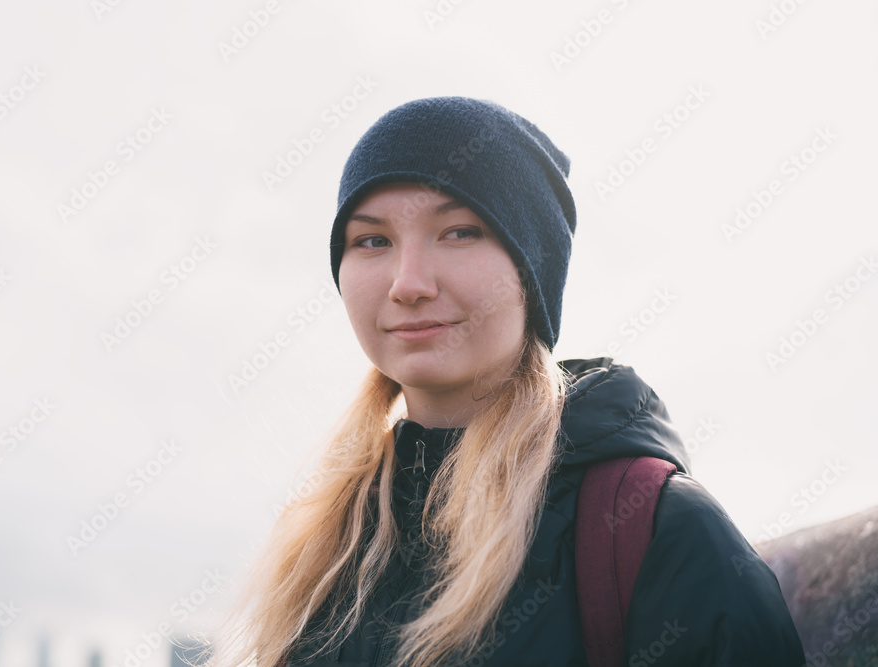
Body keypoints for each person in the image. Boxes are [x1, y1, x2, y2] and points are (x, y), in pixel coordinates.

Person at [211, 97, 805, 666]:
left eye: (460, 231)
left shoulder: (657, 530)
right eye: (372, 240)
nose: (407, 282)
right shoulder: (321, 548)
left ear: (532, 270)